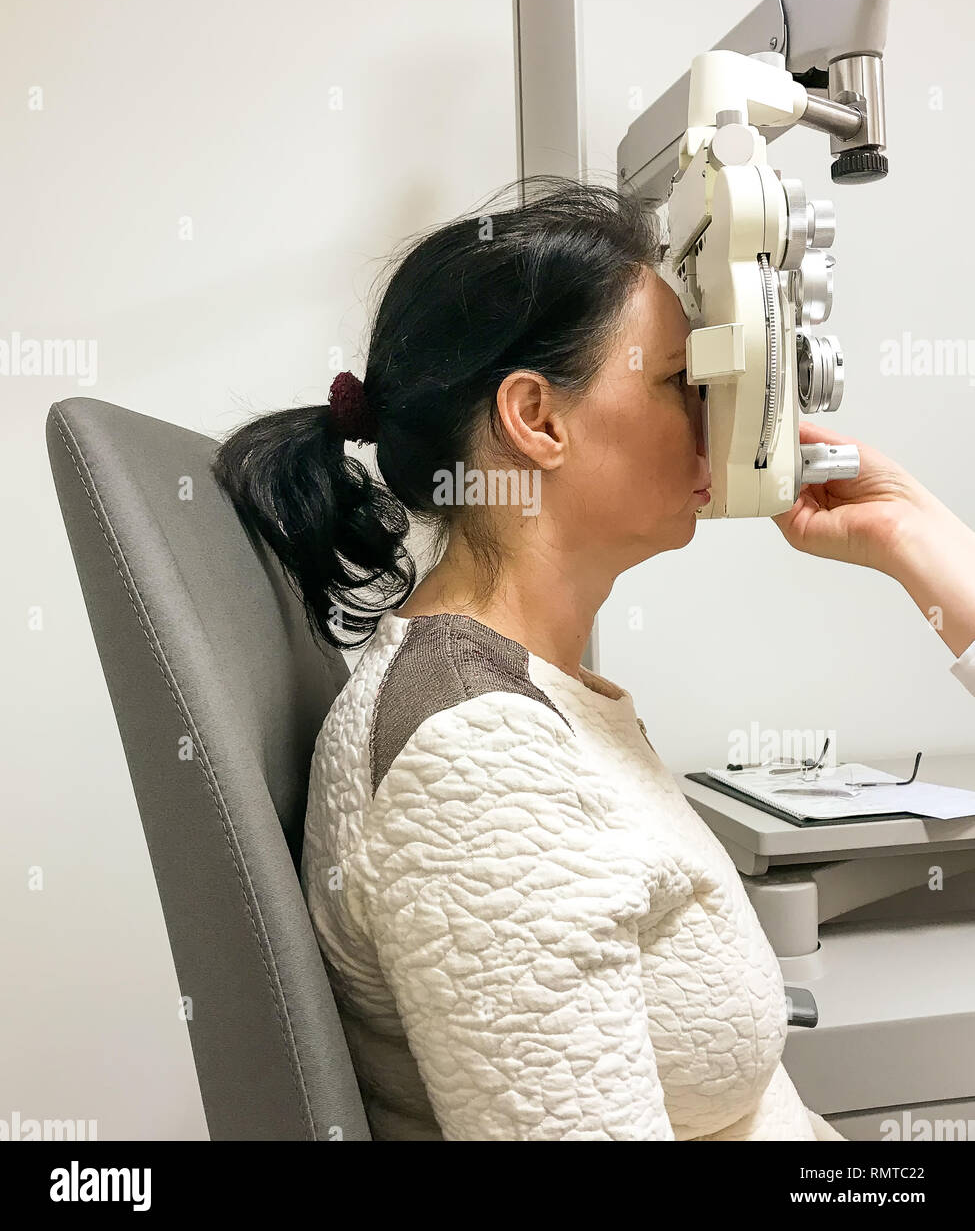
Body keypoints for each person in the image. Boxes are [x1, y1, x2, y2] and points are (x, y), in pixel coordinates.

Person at [211, 176, 975, 1141]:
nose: (716, 419)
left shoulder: (540, 694)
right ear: (537, 418)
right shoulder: (475, 758)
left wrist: (918, 538)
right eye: (677, 383)